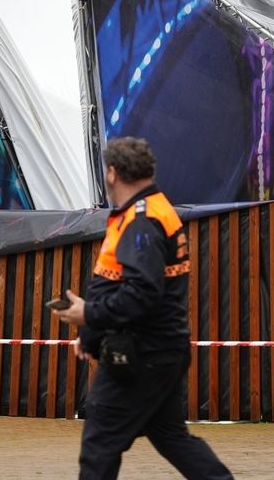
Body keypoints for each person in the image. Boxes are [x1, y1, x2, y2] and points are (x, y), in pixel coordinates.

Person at [53, 136, 233, 480]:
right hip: (159, 350)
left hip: (141, 355)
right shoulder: (152, 211)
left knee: (100, 444)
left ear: (112, 172)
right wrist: (92, 334)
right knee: (171, 437)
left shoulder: (142, 222)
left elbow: (141, 294)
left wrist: (88, 315)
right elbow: (130, 287)